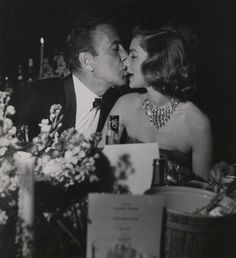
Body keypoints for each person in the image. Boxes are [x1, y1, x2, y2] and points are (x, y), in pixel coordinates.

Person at [103, 25, 212, 182]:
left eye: (133, 56)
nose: (125, 63)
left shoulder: (197, 123)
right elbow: (102, 156)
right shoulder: (123, 106)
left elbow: (202, 193)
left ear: (158, 61)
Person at [11, 15, 128, 140]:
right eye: (115, 49)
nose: (126, 55)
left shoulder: (118, 103)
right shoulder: (36, 97)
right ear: (87, 61)